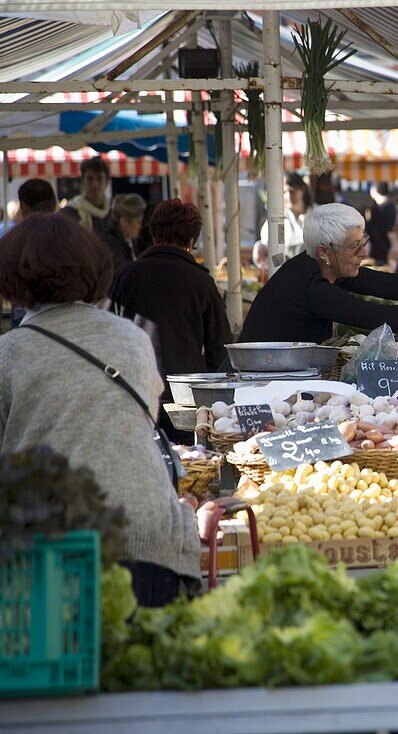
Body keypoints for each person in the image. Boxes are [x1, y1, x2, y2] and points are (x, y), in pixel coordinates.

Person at [0, 213, 202, 605]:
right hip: (152, 544)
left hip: (54, 554)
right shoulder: (131, 338)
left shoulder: (9, 353)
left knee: (69, 660)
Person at [238, 203, 398, 345]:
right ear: (323, 251)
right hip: (263, 376)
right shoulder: (312, 285)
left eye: (362, 243)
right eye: (354, 247)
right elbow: (379, 316)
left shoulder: (322, 264)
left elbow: (387, 284)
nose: (362, 253)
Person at [110, 199, 233, 440]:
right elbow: (220, 349)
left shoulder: (125, 276)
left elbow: (107, 333)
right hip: (186, 399)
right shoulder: (201, 282)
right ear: (192, 240)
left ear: (154, 233)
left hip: (135, 392)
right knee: (189, 470)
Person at [5, 179, 58, 329]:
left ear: (23, 207)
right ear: (54, 205)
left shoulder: (14, 240)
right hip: (61, 315)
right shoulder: (69, 236)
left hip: (25, 315)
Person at [254, 173, 312, 278]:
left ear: (303, 189)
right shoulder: (276, 220)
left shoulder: (315, 216)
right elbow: (270, 259)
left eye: (292, 190)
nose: (288, 196)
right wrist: (260, 249)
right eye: (284, 192)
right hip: (285, 277)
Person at [61, 156, 112, 236]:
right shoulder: (68, 215)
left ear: (107, 182)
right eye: (90, 179)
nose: (95, 184)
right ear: (82, 183)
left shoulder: (115, 213)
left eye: (100, 179)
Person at [101, 193, 147, 271]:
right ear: (123, 221)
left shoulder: (130, 240)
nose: (140, 227)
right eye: (138, 222)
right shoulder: (110, 246)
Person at [366, 182, 398, 263]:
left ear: (374, 191)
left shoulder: (383, 209)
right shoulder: (391, 207)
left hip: (384, 253)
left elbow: (390, 231)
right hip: (383, 251)